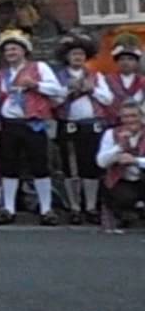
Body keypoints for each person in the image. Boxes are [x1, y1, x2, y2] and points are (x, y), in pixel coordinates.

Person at [0, 29, 64, 225]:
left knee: (40, 166)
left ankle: (46, 209)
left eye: (14, 48)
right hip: (9, 125)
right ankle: (8, 208)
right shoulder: (0, 76)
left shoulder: (39, 67)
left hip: (33, 123)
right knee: (9, 167)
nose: (10, 53)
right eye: (7, 50)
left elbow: (57, 90)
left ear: (24, 51)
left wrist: (34, 84)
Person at [53, 31, 110, 224]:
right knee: (70, 167)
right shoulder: (59, 77)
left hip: (91, 125)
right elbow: (54, 101)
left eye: (81, 54)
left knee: (90, 166)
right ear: (67, 57)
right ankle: (74, 207)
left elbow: (108, 99)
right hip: (68, 125)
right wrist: (70, 90)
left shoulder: (96, 76)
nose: (77, 57)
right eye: (73, 54)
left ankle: (91, 206)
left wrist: (91, 89)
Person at [96, 101, 145, 232]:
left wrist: (135, 161)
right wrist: (118, 147)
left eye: (133, 116)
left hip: (142, 177)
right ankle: (122, 215)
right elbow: (101, 162)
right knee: (122, 197)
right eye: (126, 117)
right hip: (121, 180)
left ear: (141, 117)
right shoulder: (110, 134)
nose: (130, 120)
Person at [97, 33, 143, 125]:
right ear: (117, 61)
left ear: (136, 62)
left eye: (130, 59)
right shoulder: (106, 80)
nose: (126, 62)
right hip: (112, 125)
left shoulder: (142, 81)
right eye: (122, 59)